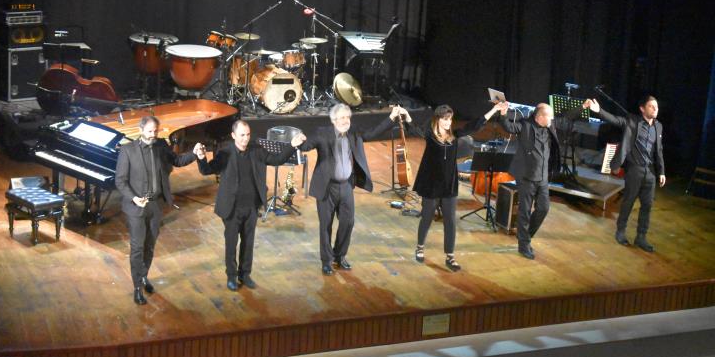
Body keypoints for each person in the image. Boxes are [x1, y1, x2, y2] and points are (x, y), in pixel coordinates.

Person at [298, 103, 409, 275]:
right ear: (334, 120)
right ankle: (326, 261)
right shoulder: (323, 133)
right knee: (325, 226)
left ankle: (339, 256)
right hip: (327, 187)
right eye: (342, 117)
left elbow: (373, 132)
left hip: (346, 186)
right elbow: (307, 145)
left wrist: (392, 117)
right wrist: (298, 141)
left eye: (348, 117)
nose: (345, 121)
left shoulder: (354, 132)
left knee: (348, 222)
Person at [196, 120, 306, 290]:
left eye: (247, 135)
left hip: (251, 207)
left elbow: (276, 160)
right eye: (242, 135)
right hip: (231, 208)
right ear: (233, 136)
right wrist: (201, 158)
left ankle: (245, 274)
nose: (245, 139)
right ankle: (231, 277)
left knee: (248, 243)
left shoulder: (256, 150)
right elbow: (207, 170)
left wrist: (292, 145)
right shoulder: (225, 153)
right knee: (231, 244)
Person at [115, 115, 203, 305]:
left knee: (150, 245)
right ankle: (137, 287)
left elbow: (178, 161)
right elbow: (120, 181)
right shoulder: (128, 151)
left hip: (156, 205)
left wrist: (194, 153)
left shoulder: (161, 146)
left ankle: (144, 276)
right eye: (149, 131)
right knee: (137, 247)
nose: (153, 135)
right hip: (136, 207)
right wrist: (134, 197)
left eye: (155, 131)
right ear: (141, 130)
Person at [409, 102, 508, 271]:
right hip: (432, 185)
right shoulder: (430, 136)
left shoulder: (454, 135)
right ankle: (419, 247)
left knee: (450, 221)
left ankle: (450, 256)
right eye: (445, 119)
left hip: (449, 185)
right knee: (427, 217)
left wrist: (494, 110)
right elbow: (414, 128)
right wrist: (405, 116)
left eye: (450, 119)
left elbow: (474, 126)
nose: (448, 122)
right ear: (437, 119)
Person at [497, 102, 582, 260]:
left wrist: (583, 107)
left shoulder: (550, 126)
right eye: (549, 116)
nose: (552, 118)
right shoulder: (525, 126)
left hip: (542, 176)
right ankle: (524, 245)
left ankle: (526, 235)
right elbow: (508, 127)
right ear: (540, 117)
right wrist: (502, 114)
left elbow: (566, 118)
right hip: (526, 177)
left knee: (544, 208)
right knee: (525, 211)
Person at [583, 96, 665, 252]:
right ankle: (620, 232)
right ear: (642, 109)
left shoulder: (658, 127)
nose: (655, 109)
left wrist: (661, 172)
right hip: (635, 169)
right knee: (628, 202)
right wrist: (598, 111)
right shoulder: (632, 121)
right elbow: (614, 120)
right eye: (651, 106)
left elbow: (659, 151)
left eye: (657, 107)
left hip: (651, 172)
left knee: (647, 205)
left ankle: (641, 237)